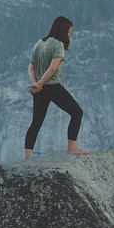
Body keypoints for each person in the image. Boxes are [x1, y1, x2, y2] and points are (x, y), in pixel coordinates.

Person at [25, 16, 90, 158]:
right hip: (52, 86)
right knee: (76, 113)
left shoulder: (40, 43)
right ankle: (72, 148)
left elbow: (31, 67)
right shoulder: (58, 44)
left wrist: (35, 84)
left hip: (39, 90)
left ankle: (27, 157)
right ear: (63, 30)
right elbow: (53, 68)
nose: (69, 35)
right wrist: (41, 83)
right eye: (69, 32)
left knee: (36, 123)